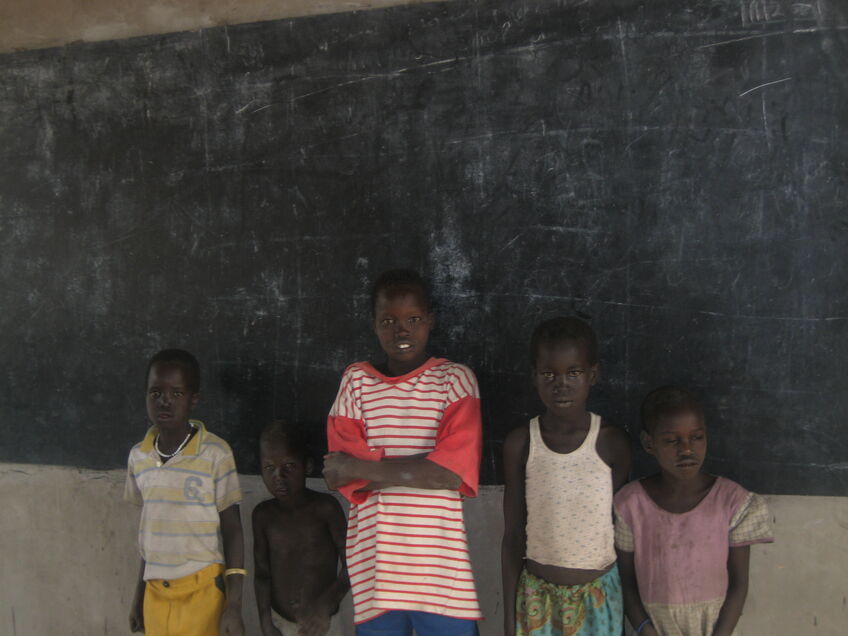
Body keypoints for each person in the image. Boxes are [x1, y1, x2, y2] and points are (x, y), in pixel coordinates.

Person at [323, 268, 483, 636]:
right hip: (375, 573)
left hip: (440, 575)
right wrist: (424, 467)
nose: (402, 331)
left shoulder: (455, 381)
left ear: (430, 321)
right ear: (374, 325)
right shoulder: (356, 382)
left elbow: (450, 475)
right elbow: (338, 475)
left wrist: (361, 466)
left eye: (413, 319)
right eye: (388, 321)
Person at [502, 316, 632, 636]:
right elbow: (513, 535)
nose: (561, 384)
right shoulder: (522, 443)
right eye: (549, 374)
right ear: (534, 376)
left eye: (573, 372)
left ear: (593, 375)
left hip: (599, 600)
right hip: (537, 599)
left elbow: (624, 533)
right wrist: (509, 620)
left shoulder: (611, 443)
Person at [614, 386, 773, 636]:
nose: (686, 449)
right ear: (648, 443)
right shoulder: (631, 504)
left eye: (696, 437)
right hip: (651, 629)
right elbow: (626, 580)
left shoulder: (733, 503)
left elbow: (739, 584)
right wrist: (645, 629)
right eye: (671, 440)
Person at [125, 349, 245, 636]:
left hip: (202, 592)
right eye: (155, 392)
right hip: (155, 594)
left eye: (176, 393)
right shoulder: (138, 457)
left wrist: (234, 604)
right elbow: (151, 534)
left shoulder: (215, 453)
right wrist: (139, 595)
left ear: (194, 400)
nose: (164, 401)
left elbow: (233, 531)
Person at [253, 420, 349, 635]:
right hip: (280, 624)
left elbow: (352, 563)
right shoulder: (263, 515)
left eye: (289, 466)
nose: (278, 477)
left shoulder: (326, 508)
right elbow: (262, 575)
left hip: (325, 624)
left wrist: (326, 604)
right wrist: (266, 623)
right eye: (269, 468)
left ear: (307, 466)